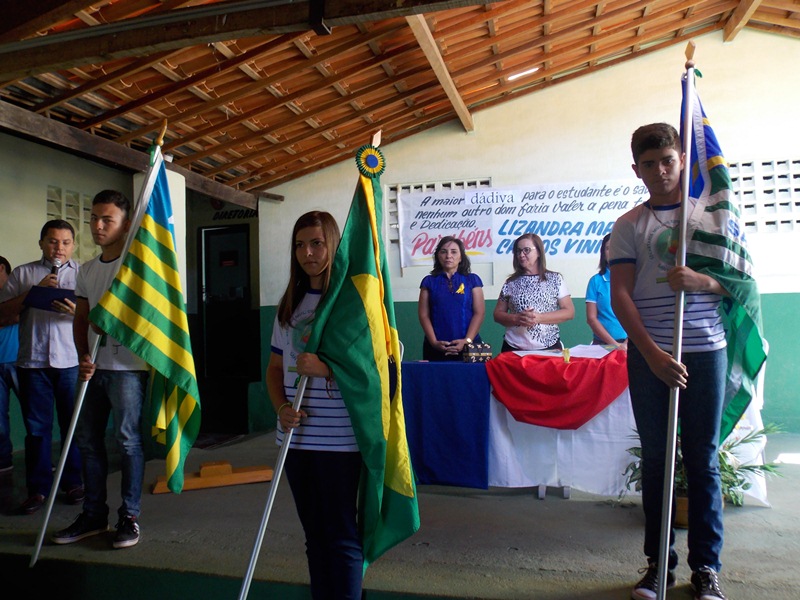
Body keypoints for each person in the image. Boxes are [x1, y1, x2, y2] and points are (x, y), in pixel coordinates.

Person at [609, 123, 730, 600]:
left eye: (668, 161)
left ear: (682, 160)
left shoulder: (711, 217)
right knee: (658, 461)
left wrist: (703, 283)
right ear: (636, 170)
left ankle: (707, 569)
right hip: (650, 355)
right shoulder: (628, 226)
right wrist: (653, 354)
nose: (660, 171)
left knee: (703, 459)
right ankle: (659, 565)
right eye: (649, 164)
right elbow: (621, 296)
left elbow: (740, 282)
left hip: (706, 350)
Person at [265, 210, 363, 599]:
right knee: (314, 536)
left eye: (317, 243)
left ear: (333, 244)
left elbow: (374, 370)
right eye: (300, 245)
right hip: (295, 438)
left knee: (342, 535)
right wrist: (280, 408)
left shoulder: (351, 302)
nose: (308, 253)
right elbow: (274, 369)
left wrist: (326, 368)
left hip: (340, 440)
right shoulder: (289, 304)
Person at [51, 190, 148, 549]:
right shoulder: (88, 270)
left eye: (108, 219)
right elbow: (81, 319)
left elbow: (147, 319)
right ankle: (93, 514)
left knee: (127, 440)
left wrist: (112, 323)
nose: (98, 225)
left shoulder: (136, 269)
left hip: (128, 367)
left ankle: (130, 516)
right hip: (94, 368)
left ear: (125, 225)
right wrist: (82, 356)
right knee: (88, 441)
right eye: (94, 218)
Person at [0, 220, 83, 514]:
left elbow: (99, 317)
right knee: (36, 429)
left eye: (65, 242)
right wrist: (32, 294)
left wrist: (77, 312)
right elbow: (2, 313)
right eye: (52, 241)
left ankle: (73, 483)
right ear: (41, 243)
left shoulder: (83, 274)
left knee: (72, 425)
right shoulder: (23, 273)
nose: (58, 248)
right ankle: (37, 489)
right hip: (32, 363)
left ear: (73, 246)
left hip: (70, 362)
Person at [493, 233, 574, 352]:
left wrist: (539, 318)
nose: (521, 255)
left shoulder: (555, 279)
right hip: (513, 348)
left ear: (539, 252)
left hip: (548, 347)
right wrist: (517, 318)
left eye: (526, 250)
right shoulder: (510, 282)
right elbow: (497, 314)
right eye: (518, 251)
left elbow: (569, 312)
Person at [418, 236, 485, 361]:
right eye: (443, 252)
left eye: (454, 252)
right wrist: (434, 342)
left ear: (461, 257)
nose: (448, 256)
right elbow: (423, 315)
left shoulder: (473, 280)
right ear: (438, 256)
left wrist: (467, 341)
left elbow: (479, 313)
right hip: (436, 347)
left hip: (470, 347)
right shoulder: (428, 281)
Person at [585, 233, 627, 349]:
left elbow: (640, 315)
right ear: (603, 253)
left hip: (631, 344)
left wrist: (626, 344)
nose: (612, 252)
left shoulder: (633, 279)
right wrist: (615, 345)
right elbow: (591, 319)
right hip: (603, 345)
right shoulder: (595, 281)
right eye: (608, 248)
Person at [0, 255, 20, 474]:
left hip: (20, 361)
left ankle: (42, 461)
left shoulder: (17, 292)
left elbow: (18, 317)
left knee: (33, 415)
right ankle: (3, 460)